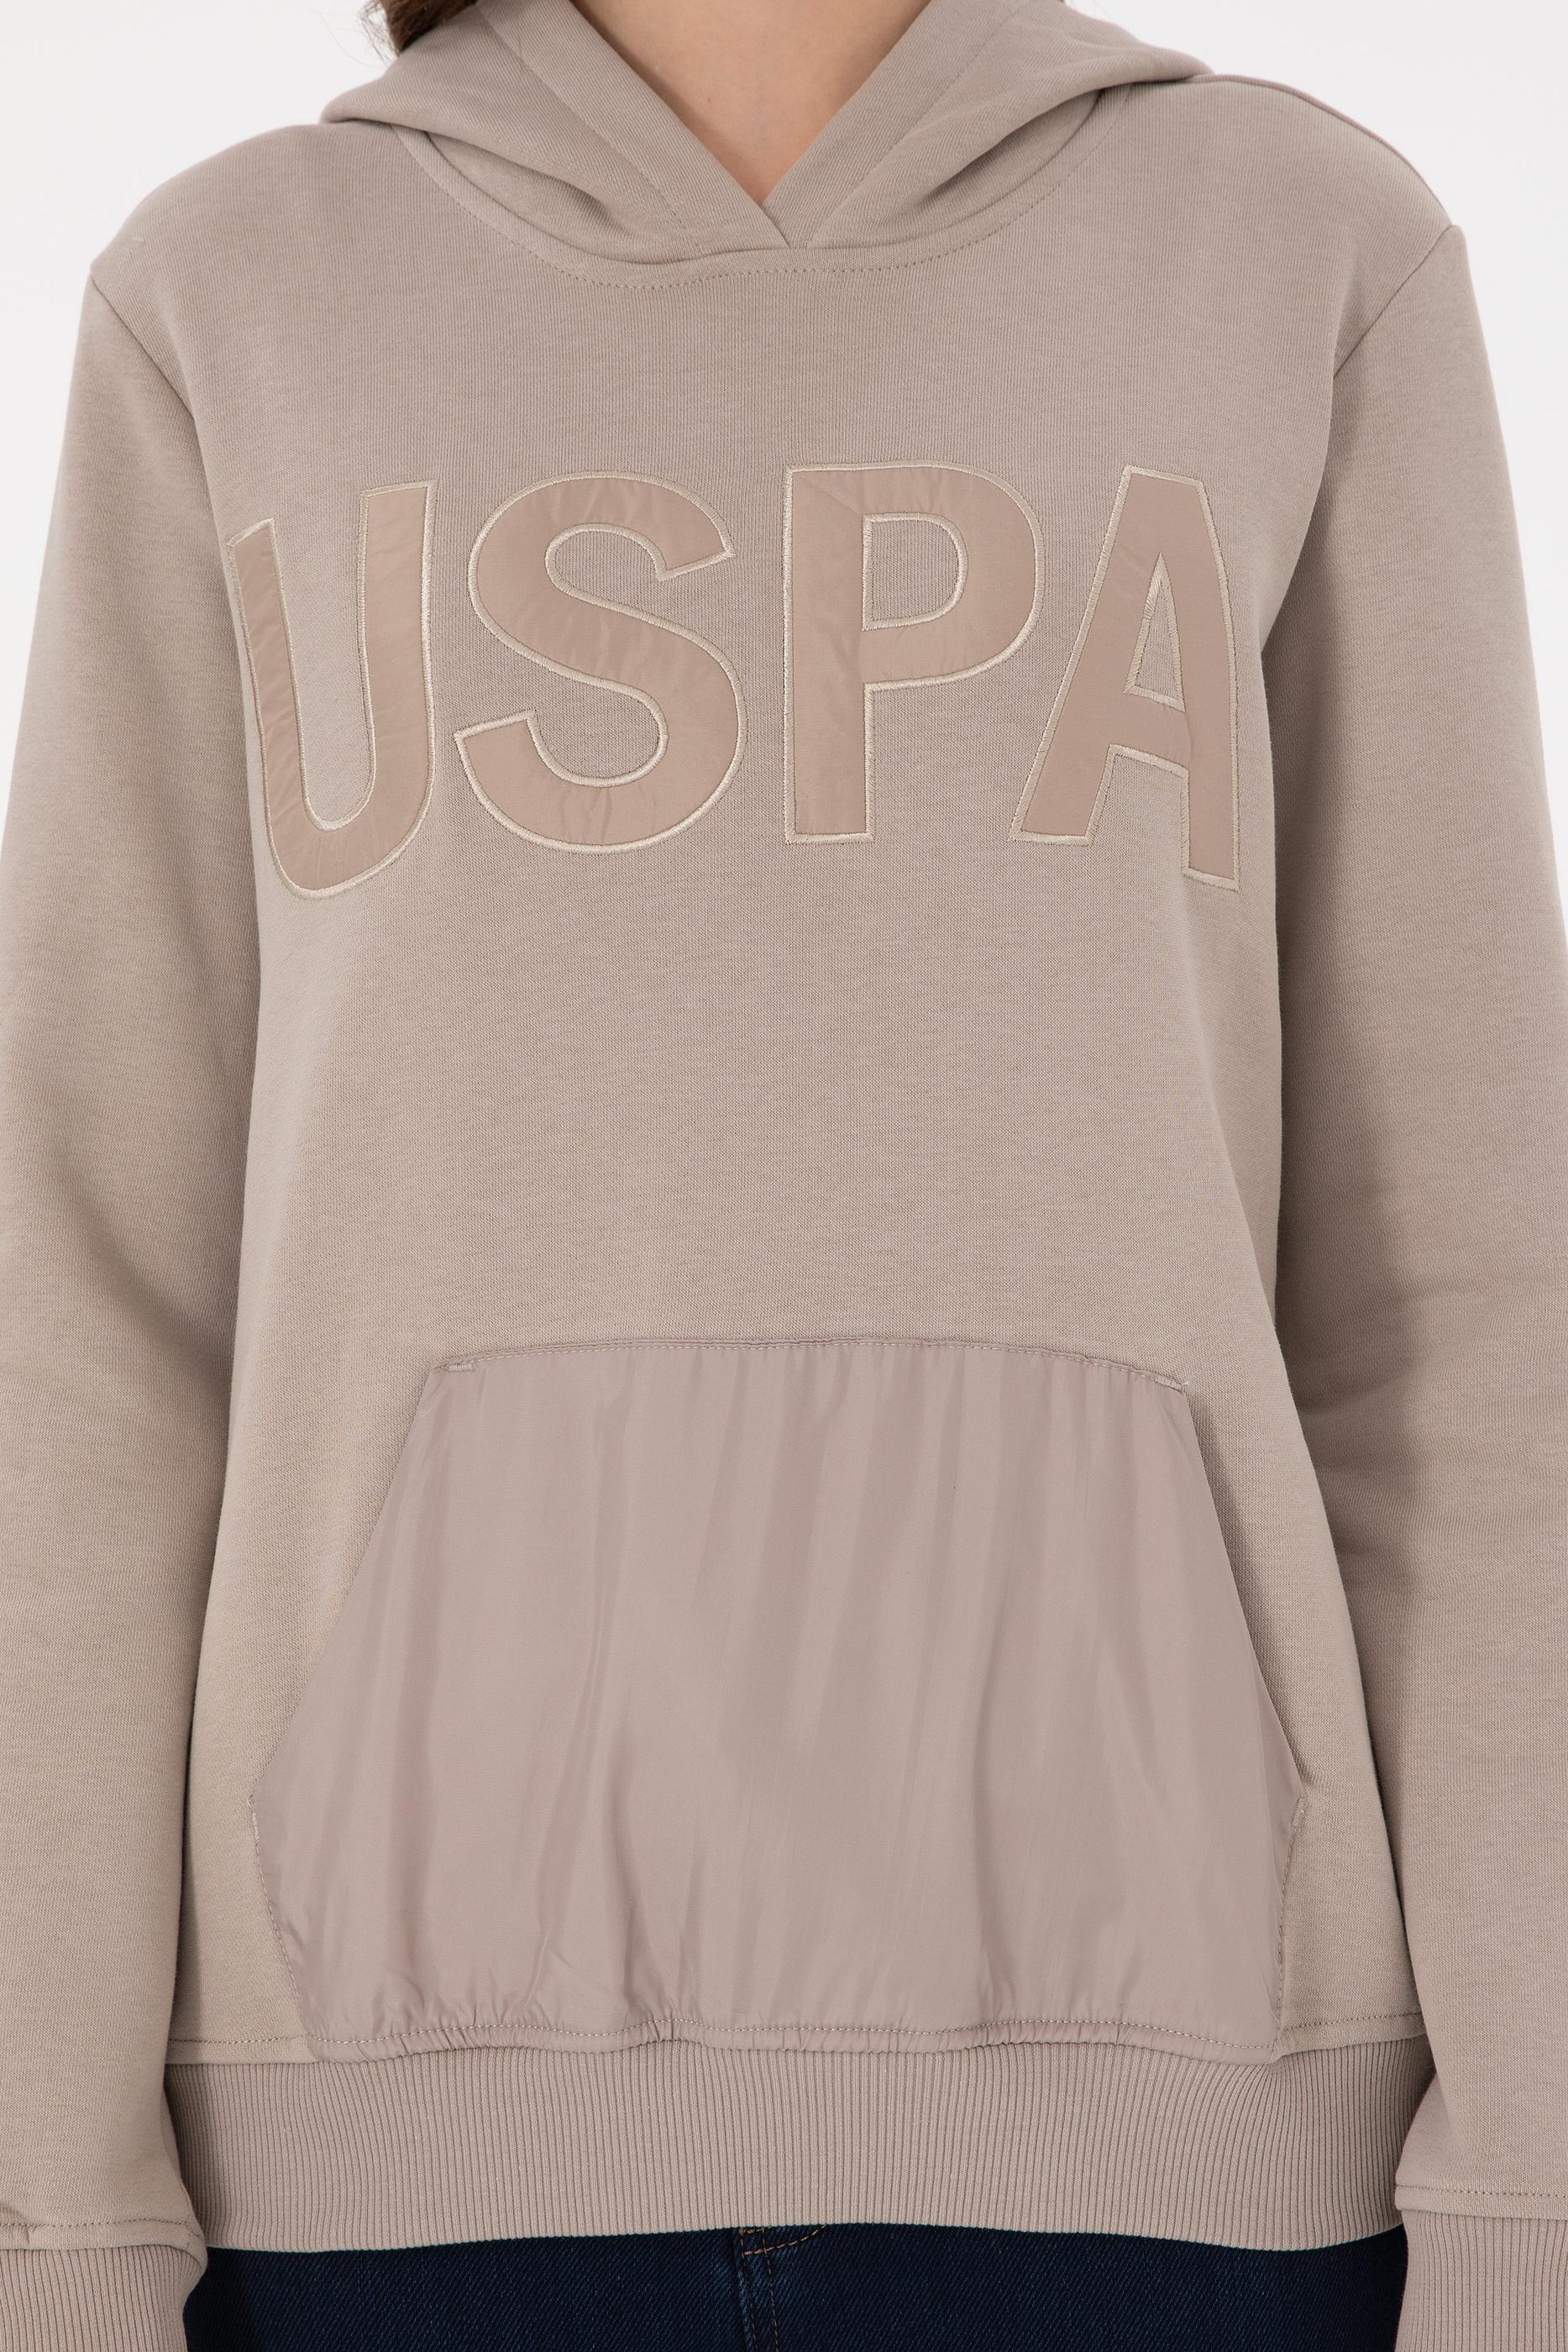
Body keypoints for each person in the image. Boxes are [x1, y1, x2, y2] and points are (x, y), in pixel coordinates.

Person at [1, 0, 1563, 2344]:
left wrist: (1534, 2198)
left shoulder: (1292, 252)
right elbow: (88, 1323)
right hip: (377, 2166)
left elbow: (1466, 1305)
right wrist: (51, 2221)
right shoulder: (233, 294)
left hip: (1186, 2154)